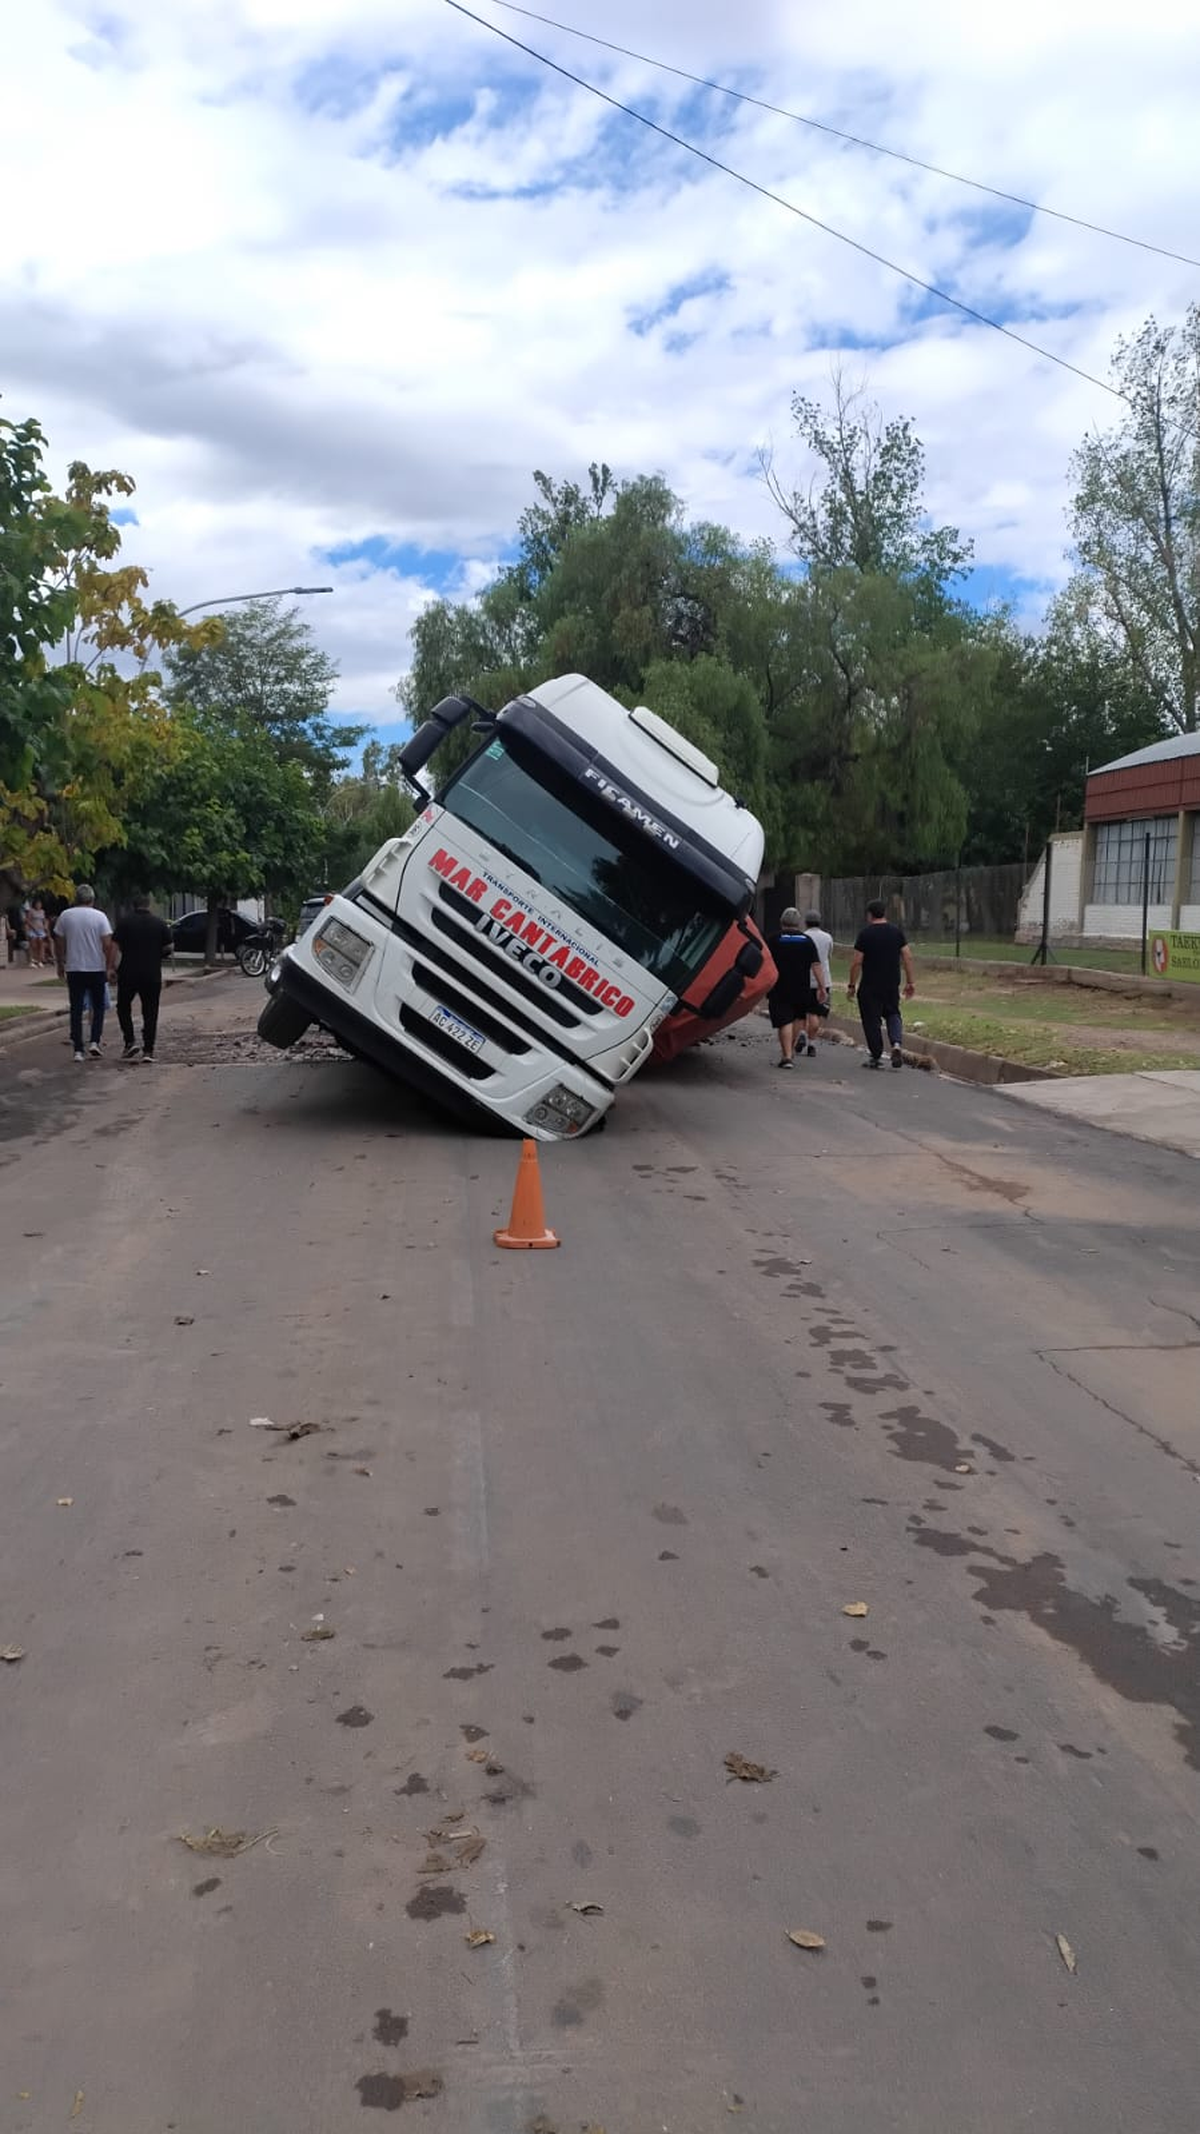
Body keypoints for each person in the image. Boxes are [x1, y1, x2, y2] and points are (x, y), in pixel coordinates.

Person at [847, 898, 915, 1069]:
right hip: (891, 983)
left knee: (871, 1020)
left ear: (869, 915)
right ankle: (897, 1044)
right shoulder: (896, 932)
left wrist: (852, 985)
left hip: (870, 985)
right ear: (884, 913)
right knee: (893, 1013)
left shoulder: (865, 934)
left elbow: (857, 962)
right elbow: (907, 956)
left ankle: (876, 1055)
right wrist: (910, 981)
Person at [54, 885, 116, 1061]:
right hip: (96, 968)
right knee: (98, 1007)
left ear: (76, 899)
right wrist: (110, 967)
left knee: (76, 1008)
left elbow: (58, 941)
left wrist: (60, 962)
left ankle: (78, 1050)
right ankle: (95, 1041)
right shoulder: (100, 916)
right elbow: (108, 944)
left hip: (74, 968)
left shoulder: (66, 915)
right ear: (92, 899)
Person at [113, 892, 173, 1061]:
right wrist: (157, 955)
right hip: (152, 973)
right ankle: (148, 1050)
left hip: (128, 972)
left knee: (123, 1007)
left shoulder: (125, 923)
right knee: (150, 1011)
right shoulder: (159, 924)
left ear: (133, 905)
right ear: (148, 905)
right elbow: (169, 947)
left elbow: (115, 945)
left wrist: (111, 967)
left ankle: (130, 1041)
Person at [766, 906, 827, 1067]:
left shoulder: (773, 939)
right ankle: (791, 1051)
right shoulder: (806, 941)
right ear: (799, 923)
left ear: (781, 922)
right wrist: (821, 987)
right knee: (798, 1018)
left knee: (784, 1021)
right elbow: (816, 965)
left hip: (779, 986)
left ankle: (786, 1056)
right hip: (802, 987)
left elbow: (764, 961)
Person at [800, 908, 834, 1057]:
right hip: (824, 980)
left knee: (803, 1011)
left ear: (806, 922)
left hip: (805, 979)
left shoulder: (802, 936)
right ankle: (812, 1044)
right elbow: (829, 955)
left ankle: (801, 1032)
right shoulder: (827, 937)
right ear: (819, 922)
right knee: (816, 1013)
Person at [25, 898, 51, 969]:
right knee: (33, 944)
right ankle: (32, 960)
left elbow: (44, 920)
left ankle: (39, 960)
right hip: (33, 929)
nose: (39, 905)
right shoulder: (31, 911)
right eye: (37, 904)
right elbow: (28, 920)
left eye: (40, 904)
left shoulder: (42, 911)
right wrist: (33, 927)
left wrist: (45, 926)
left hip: (40, 930)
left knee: (41, 943)